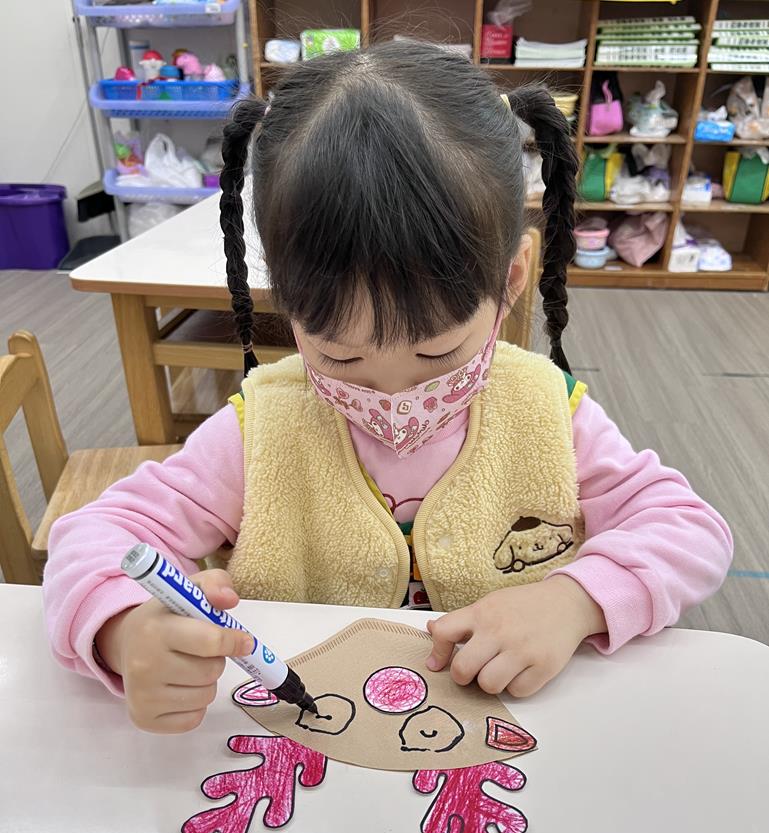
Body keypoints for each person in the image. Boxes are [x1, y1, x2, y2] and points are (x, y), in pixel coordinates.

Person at [43, 42, 732, 733]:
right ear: (287, 303)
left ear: (512, 279)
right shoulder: (263, 428)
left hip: (499, 734)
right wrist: (124, 631)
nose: (394, 394)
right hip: (311, 734)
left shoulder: (544, 410)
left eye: (437, 351)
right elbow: (97, 536)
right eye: (340, 356)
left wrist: (573, 600)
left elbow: (689, 529)